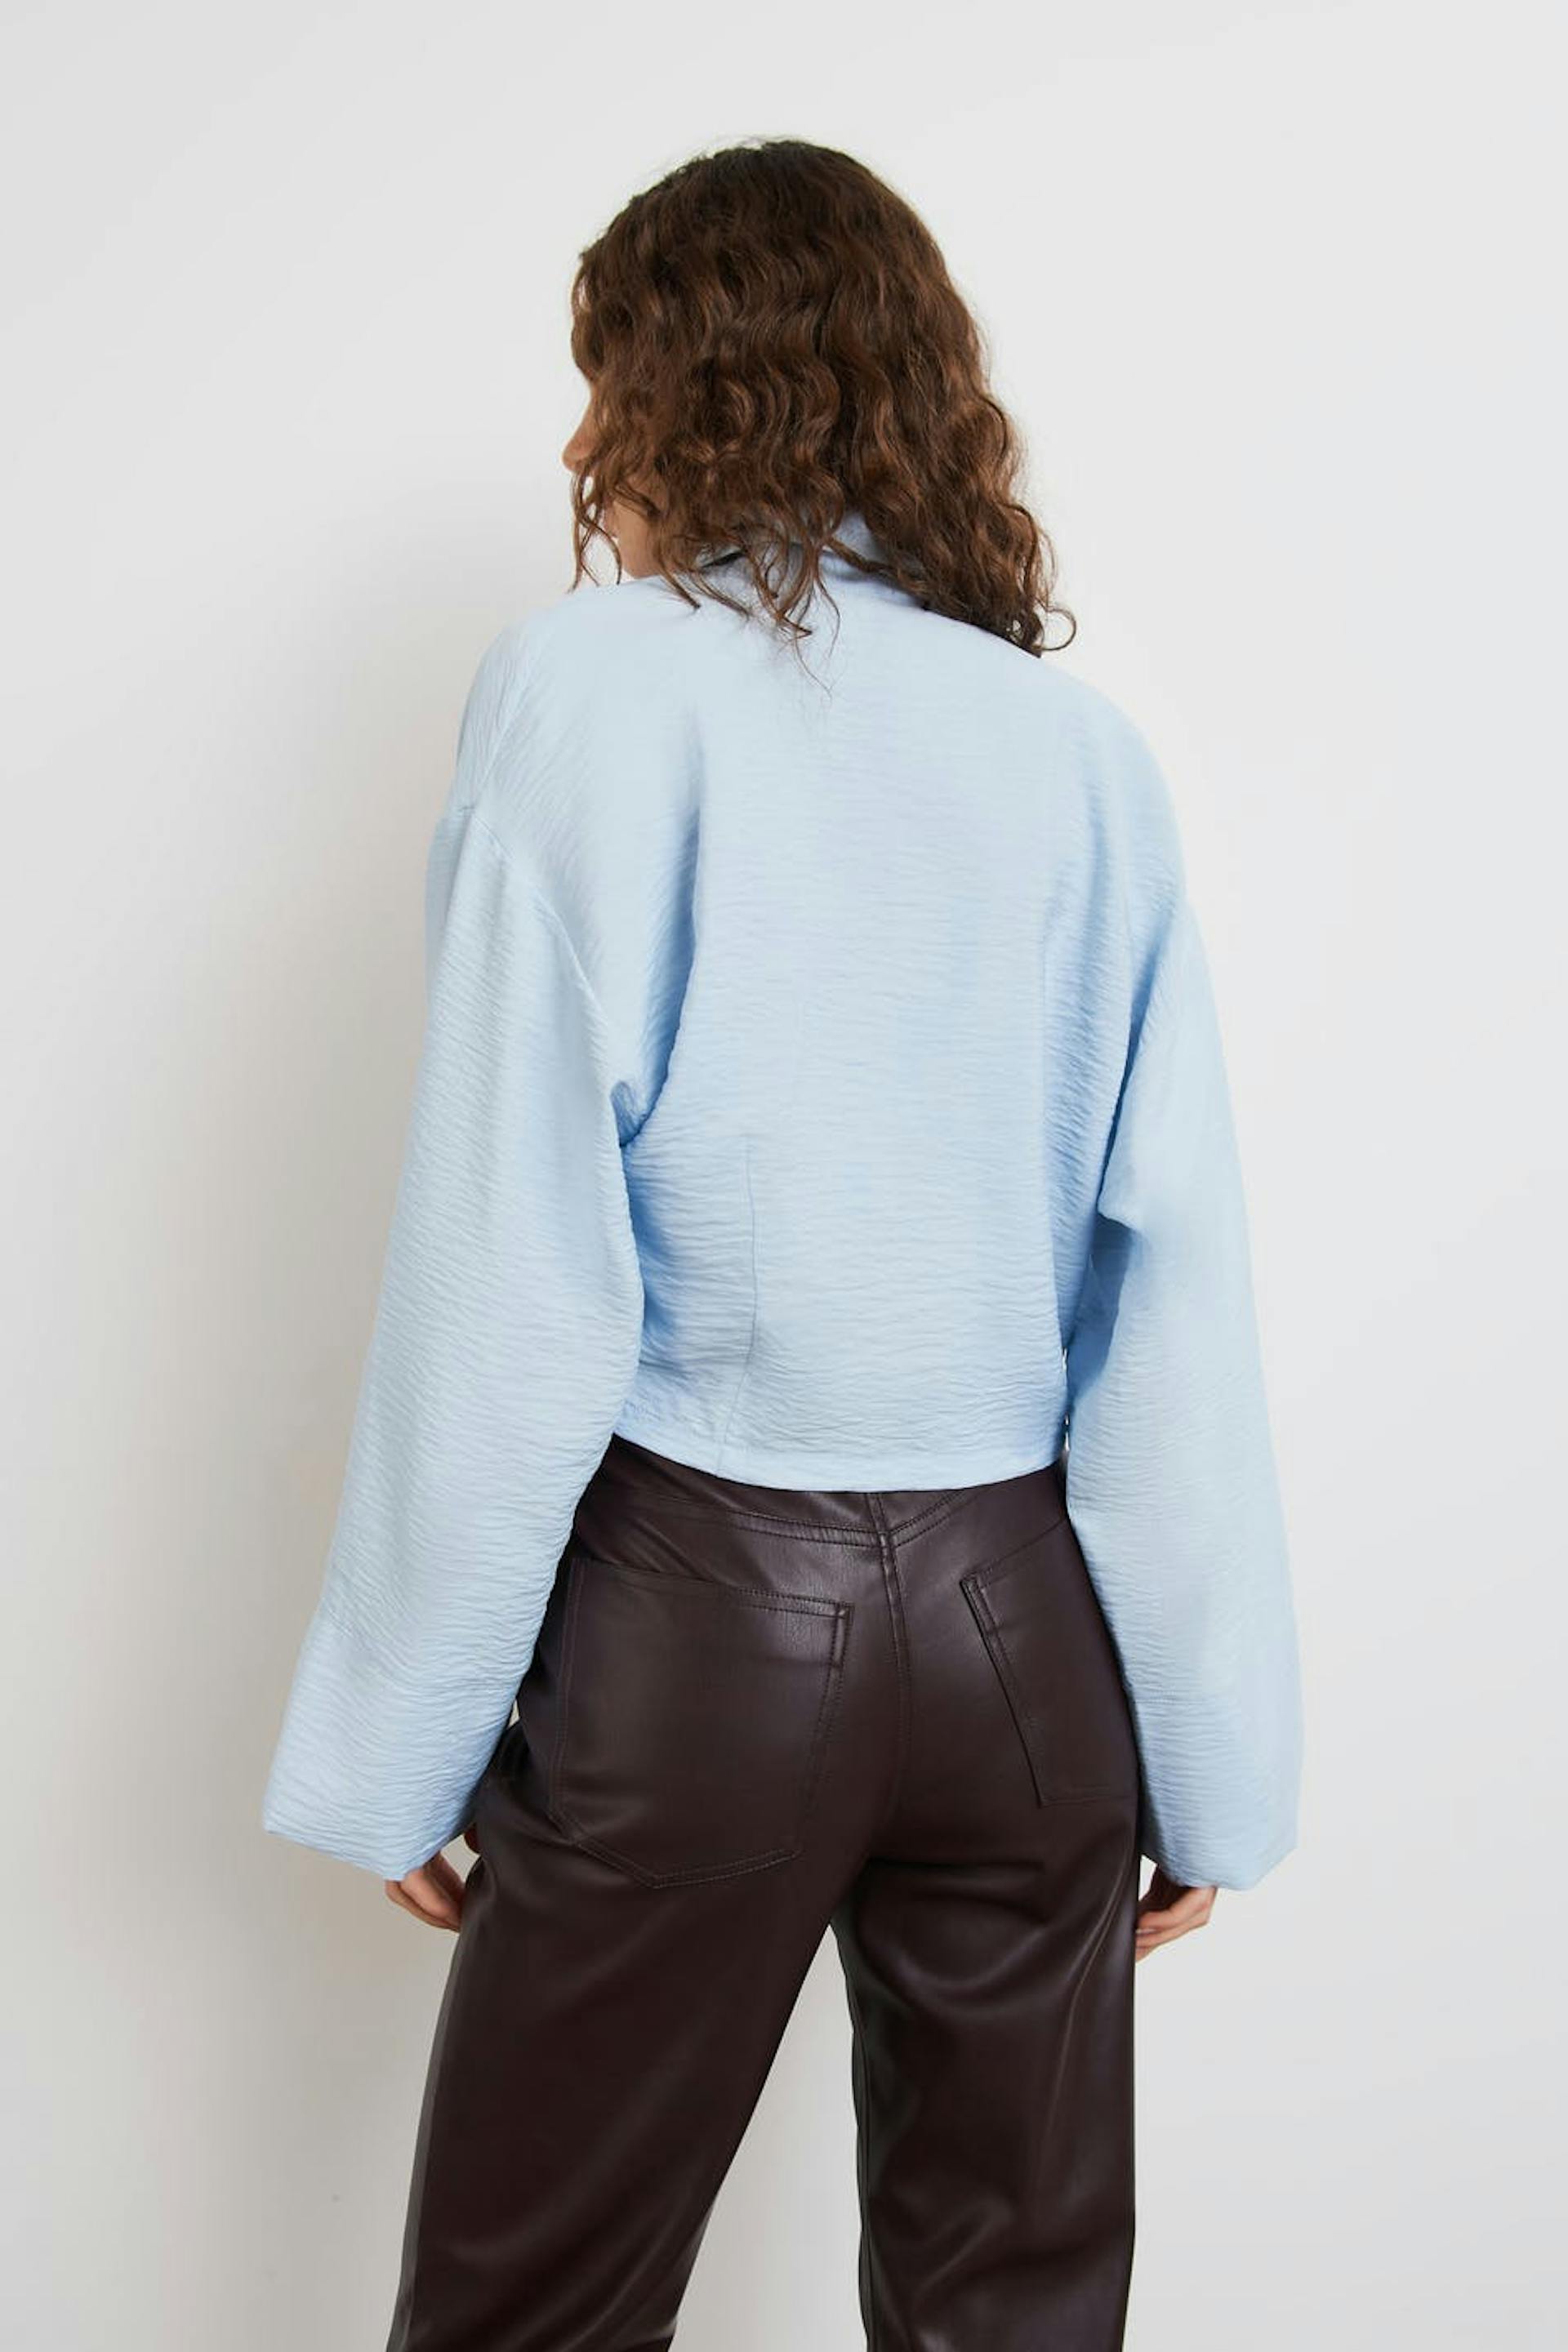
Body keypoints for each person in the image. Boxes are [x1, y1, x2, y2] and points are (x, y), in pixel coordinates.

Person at [262, 136, 1303, 2352]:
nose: (577, 449)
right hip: (1027, 1650)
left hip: (707, 1624)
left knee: (530, 2318)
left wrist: (407, 1725)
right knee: (1014, 2321)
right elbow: (1171, 1296)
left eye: (603, 383)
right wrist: (1211, 1754)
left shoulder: (585, 691)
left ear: (699, 389)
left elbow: (509, 1273)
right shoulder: (1078, 754)